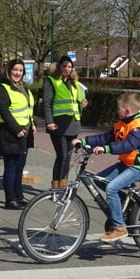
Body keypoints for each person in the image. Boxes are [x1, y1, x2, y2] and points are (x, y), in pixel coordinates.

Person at [72, 91, 140, 242]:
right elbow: (105, 137)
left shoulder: (138, 126)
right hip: (127, 163)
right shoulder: (124, 123)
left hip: (139, 166)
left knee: (111, 188)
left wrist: (105, 149)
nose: (116, 111)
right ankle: (128, 208)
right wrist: (84, 141)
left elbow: (128, 145)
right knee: (100, 180)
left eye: (118, 109)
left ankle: (119, 227)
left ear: (126, 111)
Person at [0, 58, 36, 210]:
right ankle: (10, 199)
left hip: (24, 131)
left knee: (20, 165)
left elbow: (27, 108)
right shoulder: (2, 88)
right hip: (9, 131)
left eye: (20, 70)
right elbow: (4, 111)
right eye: (15, 70)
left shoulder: (22, 87)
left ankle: (19, 195)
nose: (18, 73)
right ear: (9, 70)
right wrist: (16, 129)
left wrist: (32, 124)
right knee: (11, 165)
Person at [41, 55, 88, 188]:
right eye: (64, 66)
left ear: (72, 68)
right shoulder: (51, 81)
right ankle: (55, 186)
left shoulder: (74, 83)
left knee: (67, 157)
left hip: (73, 123)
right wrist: (49, 122)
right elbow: (47, 104)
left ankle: (63, 185)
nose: (66, 69)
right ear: (59, 67)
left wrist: (83, 102)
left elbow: (78, 100)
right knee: (61, 155)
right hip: (57, 123)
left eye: (69, 66)